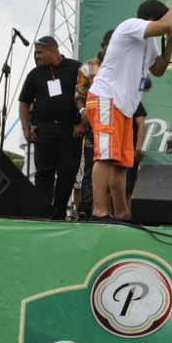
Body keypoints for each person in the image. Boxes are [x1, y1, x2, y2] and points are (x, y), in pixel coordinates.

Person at [86, 0, 172, 221]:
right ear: (151, 20)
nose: (170, 22)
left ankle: (122, 213)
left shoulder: (150, 42)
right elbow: (166, 25)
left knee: (121, 163)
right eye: (165, 17)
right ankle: (98, 211)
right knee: (107, 156)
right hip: (106, 97)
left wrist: (170, 41)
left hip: (124, 106)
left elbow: (158, 69)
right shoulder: (130, 25)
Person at [18, 37, 83, 219]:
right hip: (44, 129)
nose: (37, 57)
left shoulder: (76, 68)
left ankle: (59, 213)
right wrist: (26, 127)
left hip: (70, 129)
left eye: (40, 52)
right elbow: (24, 102)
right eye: (35, 53)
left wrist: (82, 123)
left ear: (53, 50)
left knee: (67, 172)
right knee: (44, 173)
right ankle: (43, 213)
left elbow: (89, 96)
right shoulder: (35, 74)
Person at [73, 29, 113, 219]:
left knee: (116, 168)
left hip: (116, 126)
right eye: (110, 46)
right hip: (94, 126)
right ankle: (87, 209)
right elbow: (79, 95)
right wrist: (83, 113)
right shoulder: (87, 68)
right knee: (91, 166)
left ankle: (111, 212)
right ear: (103, 46)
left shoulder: (121, 67)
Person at [125, 77, 151, 213]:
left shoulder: (133, 100)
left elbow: (141, 124)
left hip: (129, 149)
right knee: (110, 184)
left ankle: (127, 216)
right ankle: (110, 214)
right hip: (115, 147)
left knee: (129, 185)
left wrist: (138, 147)